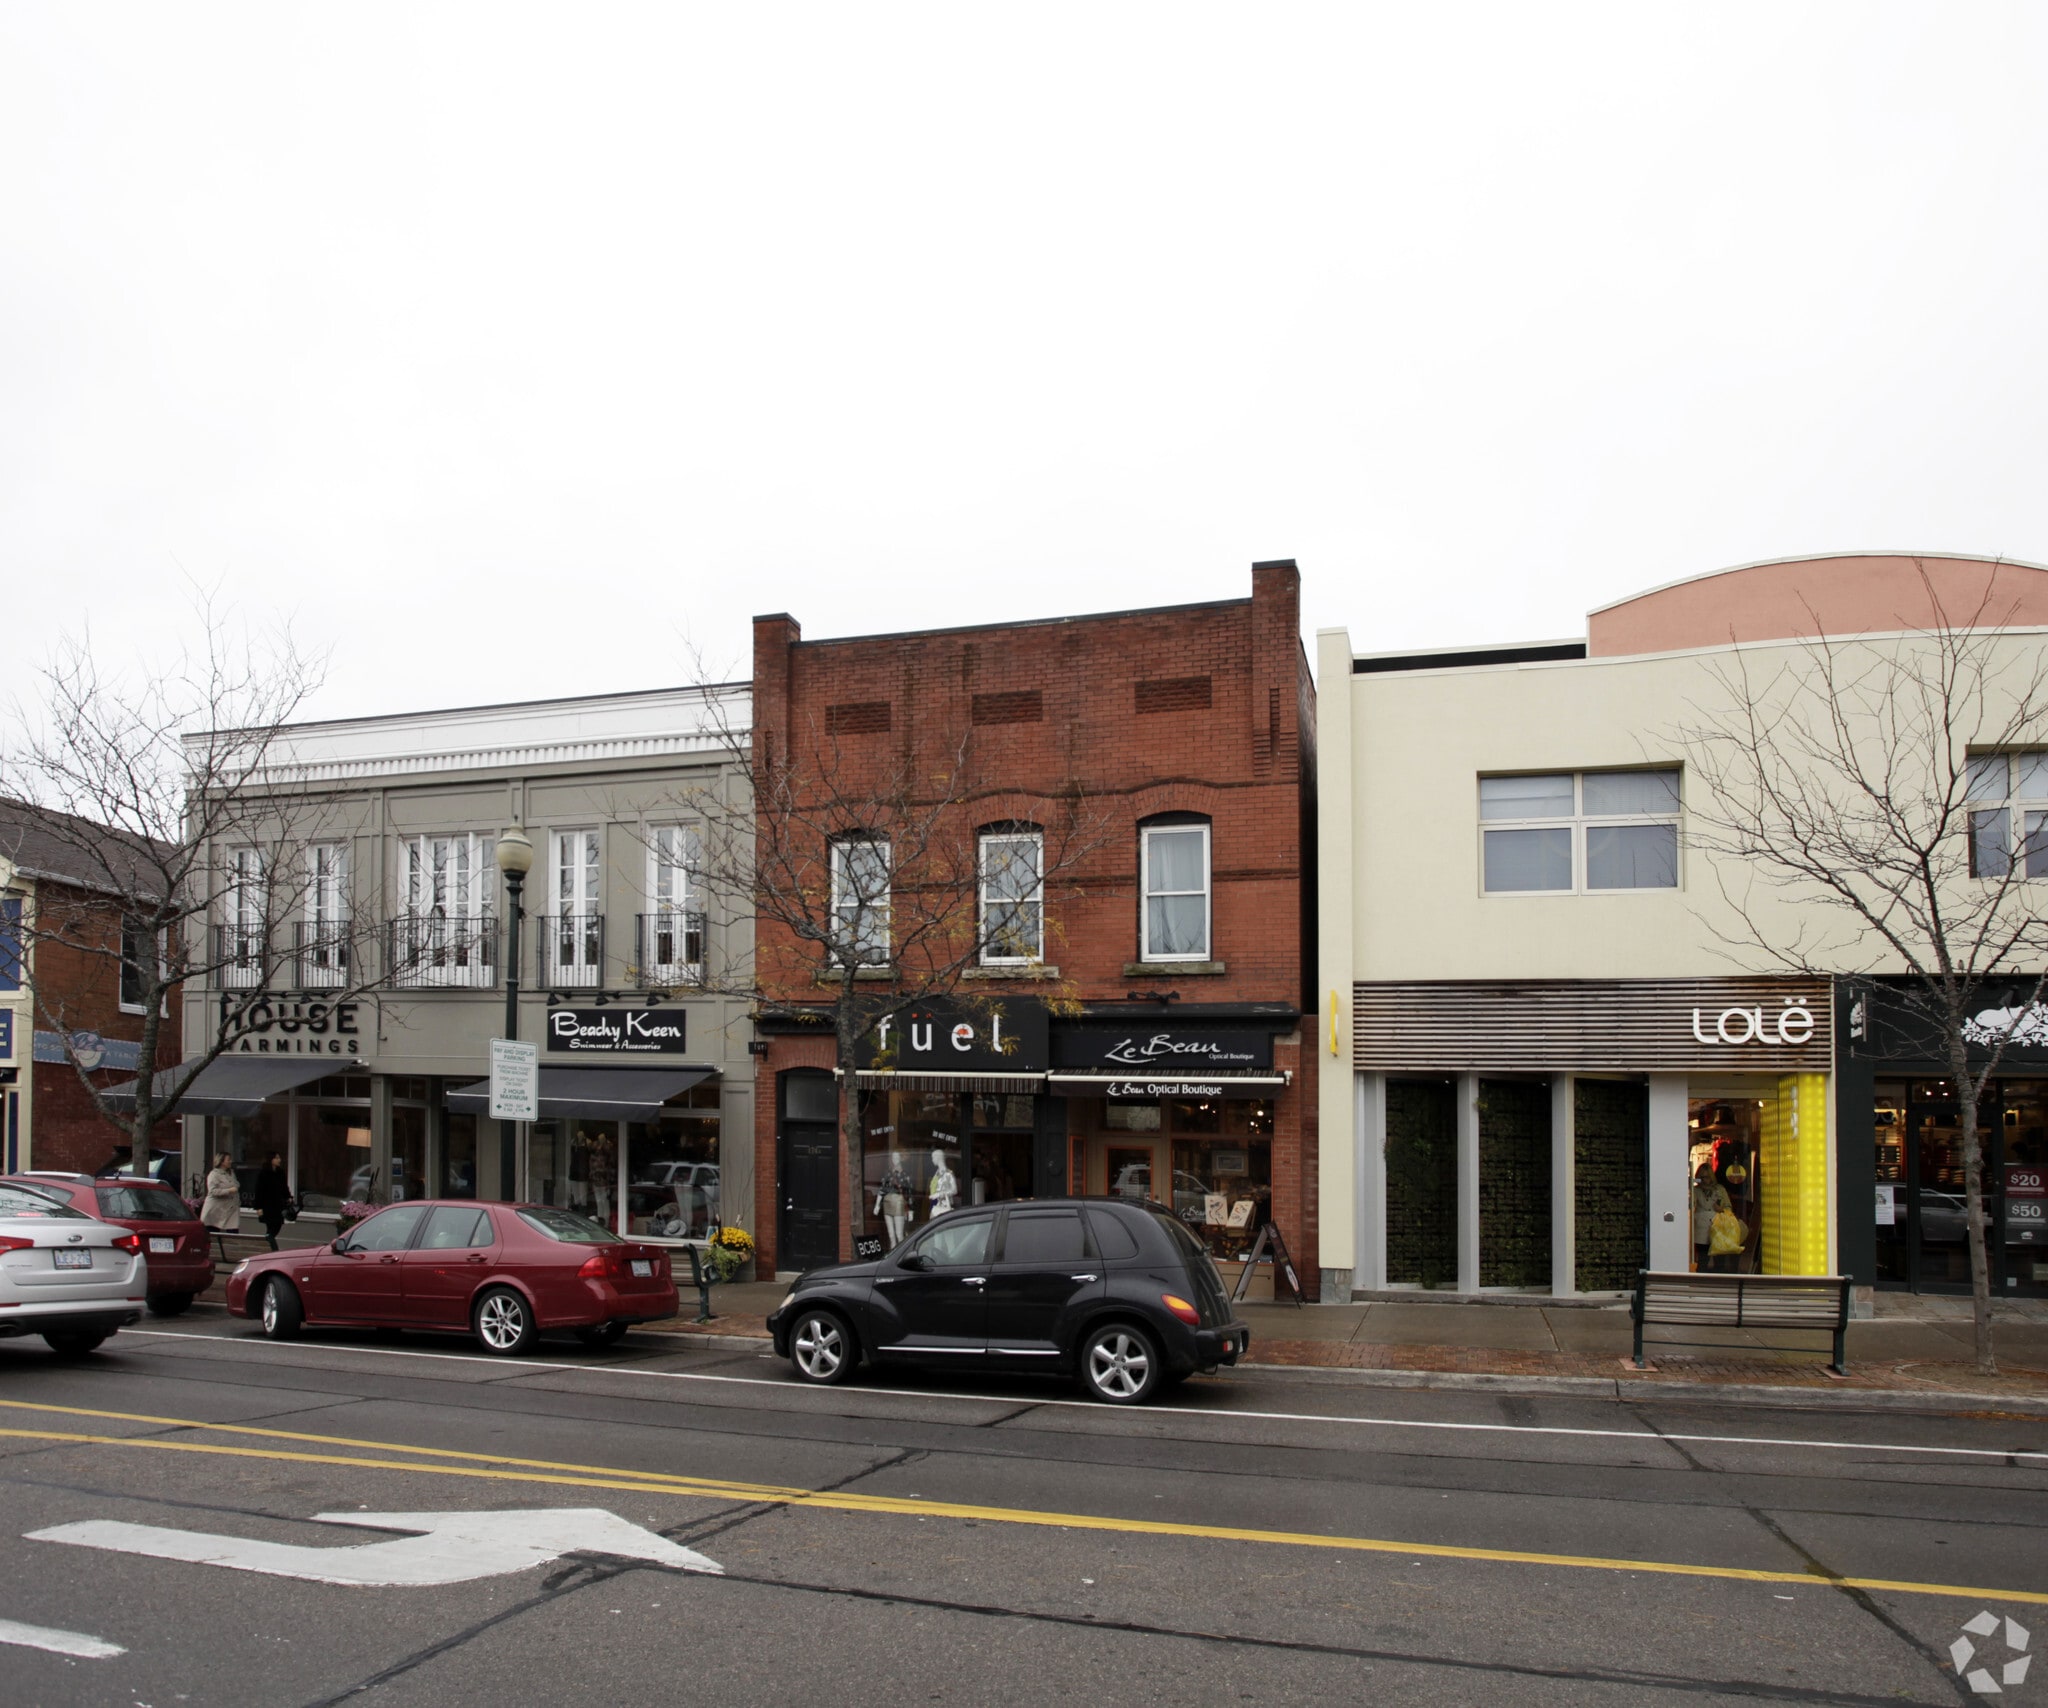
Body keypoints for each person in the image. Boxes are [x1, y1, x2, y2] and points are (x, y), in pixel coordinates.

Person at [1690, 1164, 1731, 1273]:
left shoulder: (1720, 1189)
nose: (1704, 1180)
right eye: (1702, 1177)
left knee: (1719, 1259)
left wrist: (1720, 1209)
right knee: (1703, 1259)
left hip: (1718, 1226)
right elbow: (1690, 1205)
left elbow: (1728, 1207)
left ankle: (1719, 1281)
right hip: (1701, 1227)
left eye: (1707, 1177)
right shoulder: (1695, 1190)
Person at [200, 1153, 242, 1258]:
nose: (230, 1161)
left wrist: (235, 1189)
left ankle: (232, 1255)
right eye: (228, 1159)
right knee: (213, 1234)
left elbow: (236, 1184)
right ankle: (212, 1255)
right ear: (222, 1161)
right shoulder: (214, 1174)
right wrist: (228, 1190)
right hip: (216, 1209)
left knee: (233, 1231)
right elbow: (213, 1191)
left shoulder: (231, 1173)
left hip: (230, 1208)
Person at [251, 1152, 292, 1252]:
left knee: (277, 1226)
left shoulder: (280, 1172)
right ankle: (271, 1247)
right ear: (271, 1160)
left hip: (278, 1205)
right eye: (277, 1158)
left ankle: (267, 1243)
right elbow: (259, 1191)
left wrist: (288, 1197)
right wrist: (259, 1208)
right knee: (271, 1227)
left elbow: (284, 1187)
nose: (279, 1160)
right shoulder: (264, 1173)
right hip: (267, 1206)